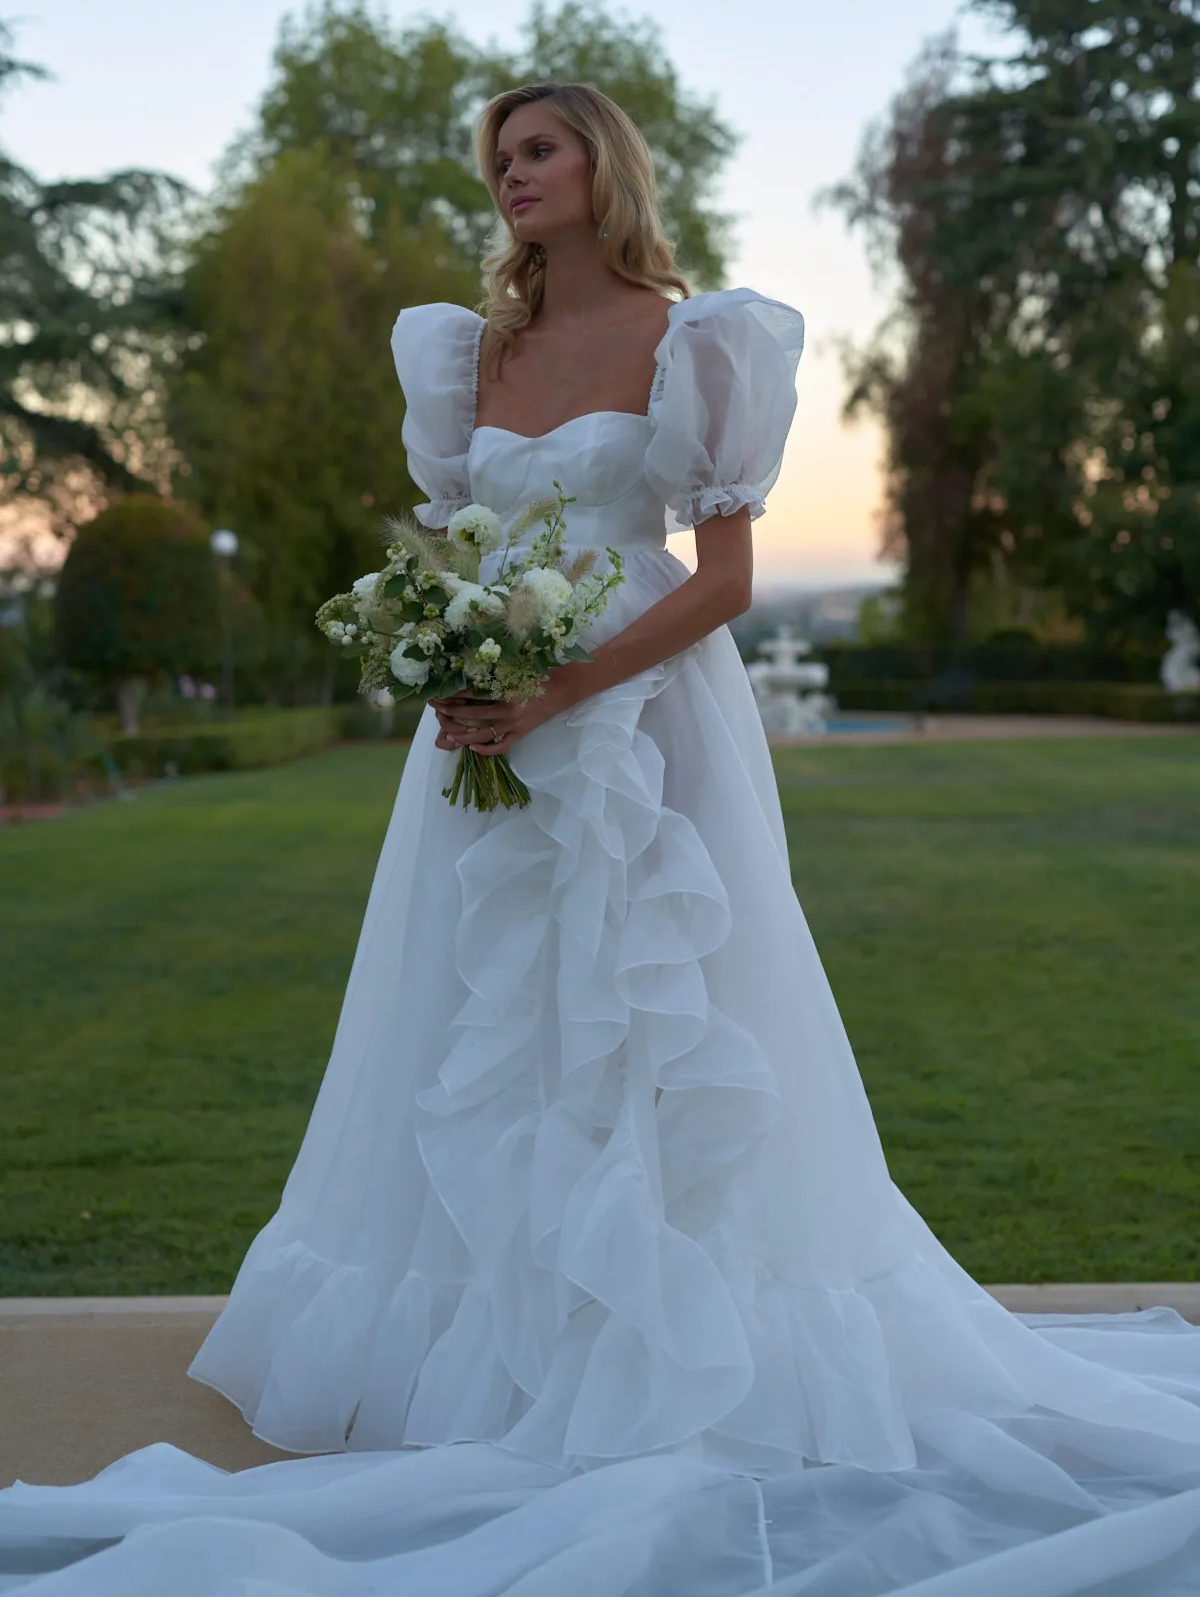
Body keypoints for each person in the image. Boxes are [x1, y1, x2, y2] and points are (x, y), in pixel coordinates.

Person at [3, 84, 1200, 1595]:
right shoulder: (469, 352)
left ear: (601, 167)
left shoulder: (699, 340)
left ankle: (678, 1335)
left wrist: (570, 678)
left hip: (645, 719)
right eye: (499, 159)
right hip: (492, 728)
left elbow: (723, 582)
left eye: (539, 151)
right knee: (483, 1013)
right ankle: (509, 1350)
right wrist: (454, 657)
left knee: (657, 1008)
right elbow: (461, 546)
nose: (512, 177)